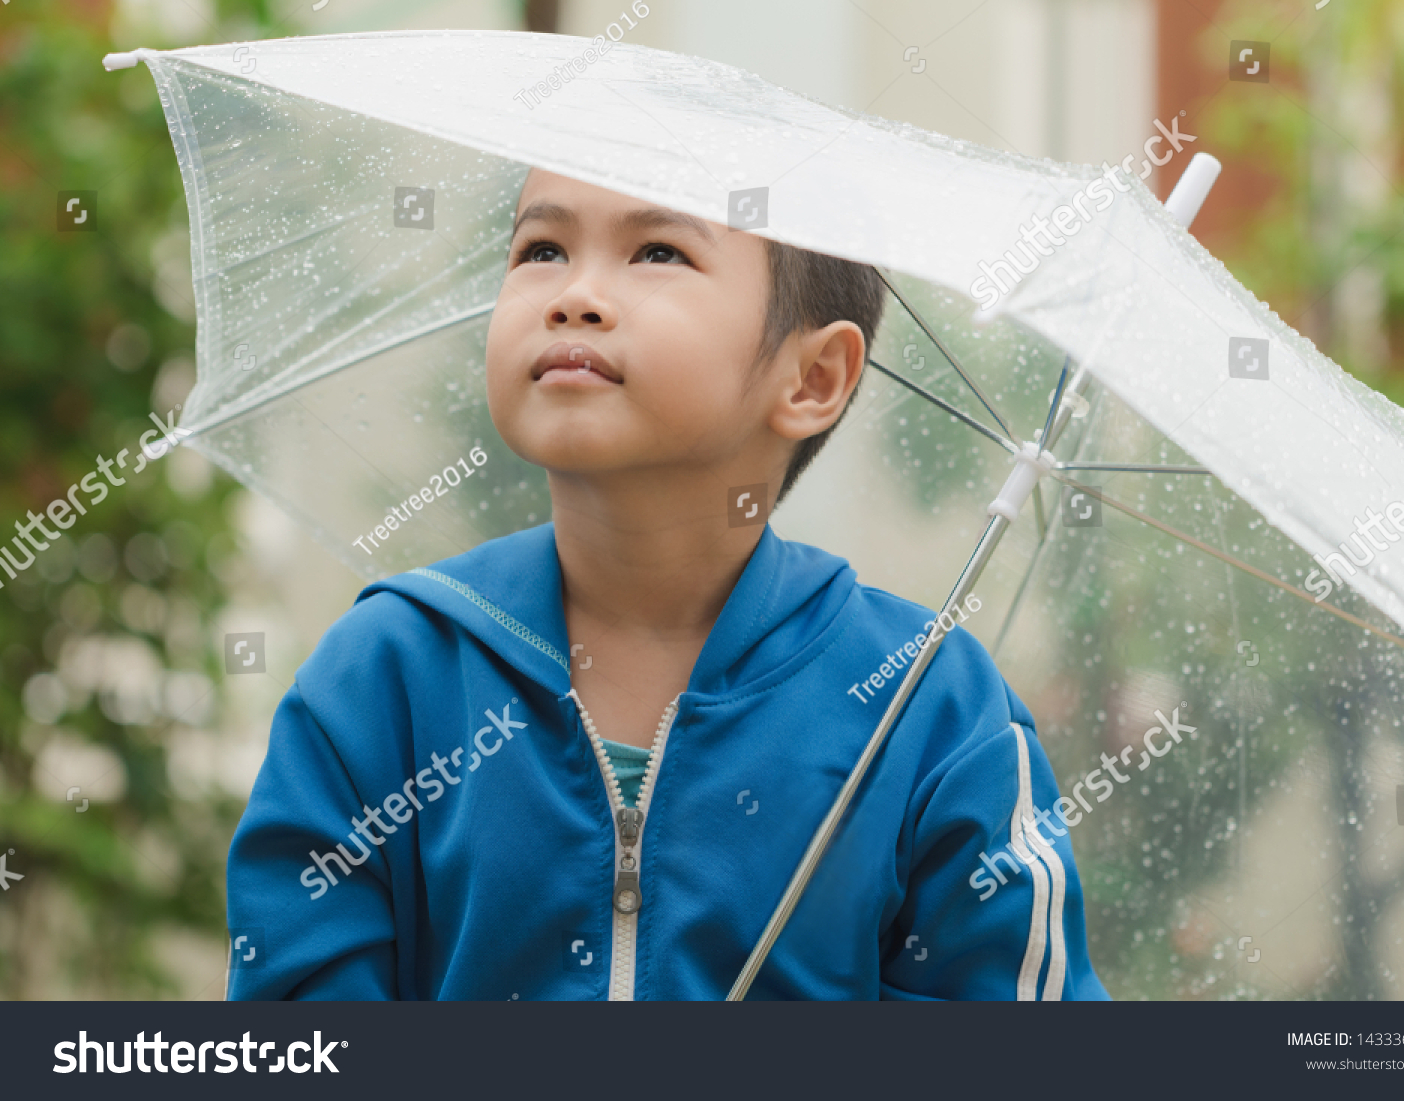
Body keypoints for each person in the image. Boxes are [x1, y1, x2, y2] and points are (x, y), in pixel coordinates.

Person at [224, 168, 1108, 1001]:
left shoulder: (929, 710)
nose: (573, 294)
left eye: (658, 253)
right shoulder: (384, 678)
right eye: (541, 250)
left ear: (813, 377)